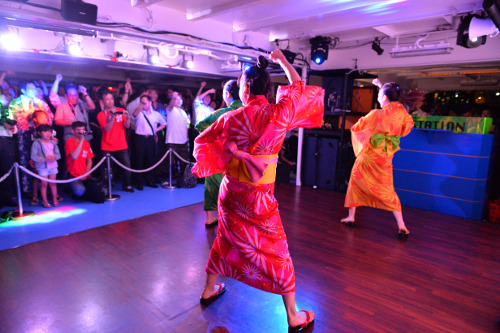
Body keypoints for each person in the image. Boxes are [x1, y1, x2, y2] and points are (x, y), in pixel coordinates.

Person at [192, 49, 324, 331]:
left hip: (230, 194)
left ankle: (207, 290)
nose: (239, 88)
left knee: (225, 239)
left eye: (240, 83)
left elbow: (204, 141)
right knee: (276, 250)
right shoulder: (280, 113)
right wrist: (283, 61)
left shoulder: (230, 118)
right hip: (259, 196)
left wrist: (225, 158)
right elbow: (298, 86)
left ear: (247, 87)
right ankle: (293, 316)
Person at [342, 80, 414, 238]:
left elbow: (358, 128)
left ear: (386, 98)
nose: (379, 99)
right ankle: (402, 225)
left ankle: (351, 216)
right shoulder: (401, 111)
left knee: (355, 182)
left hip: (369, 157)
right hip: (386, 158)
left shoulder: (376, 114)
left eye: (380, 96)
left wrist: (369, 134)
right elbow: (408, 125)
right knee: (388, 191)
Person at [194, 79, 243, 227]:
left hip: (221, 157)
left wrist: (217, 139)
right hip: (244, 158)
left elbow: (200, 126)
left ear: (227, 94)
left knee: (212, 183)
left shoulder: (220, 113)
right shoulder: (248, 111)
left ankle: (211, 217)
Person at [97, 89, 134, 192]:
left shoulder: (121, 110)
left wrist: (128, 118)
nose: (110, 101)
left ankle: (127, 185)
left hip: (122, 144)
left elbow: (127, 126)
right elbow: (107, 128)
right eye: (107, 99)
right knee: (108, 169)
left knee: (127, 166)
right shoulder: (101, 114)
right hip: (107, 145)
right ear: (103, 101)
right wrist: (113, 117)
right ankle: (108, 186)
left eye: (111, 99)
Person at [132, 95, 166, 190]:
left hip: (150, 138)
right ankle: (138, 182)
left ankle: (150, 180)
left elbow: (164, 123)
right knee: (139, 160)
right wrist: (141, 106)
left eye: (144, 102)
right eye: (141, 102)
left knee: (151, 160)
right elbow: (134, 114)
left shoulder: (156, 114)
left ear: (150, 102)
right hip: (139, 138)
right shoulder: (139, 112)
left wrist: (156, 130)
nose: (143, 104)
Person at [64, 121, 104, 203]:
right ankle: (70, 187)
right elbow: (74, 156)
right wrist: (81, 141)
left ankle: (86, 193)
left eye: (83, 130)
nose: (81, 132)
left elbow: (90, 161)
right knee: (79, 191)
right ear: (73, 131)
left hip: (85, 174)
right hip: (73, 174)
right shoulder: (69, 141)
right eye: (78, 130)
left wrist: (86, 174)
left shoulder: (87, 144)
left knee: (104, 191)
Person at [161, 92, 190, 187]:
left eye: (180, 99)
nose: (178, 100)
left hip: (183, 141)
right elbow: (171, 104)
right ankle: (165, 179)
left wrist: (186, 138)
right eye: (176, 99)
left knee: (184, 163)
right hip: (172, 140)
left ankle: (183, 180)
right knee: (168, 162)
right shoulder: (170, 109)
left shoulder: (184, 112)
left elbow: (186, 126)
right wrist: (174, 96)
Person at [30, 124, 61, 208]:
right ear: (39, 133)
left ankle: (55, 199)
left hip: (53, 165)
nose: (48, 133)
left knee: (53, 183)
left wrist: (54, 157)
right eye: (45, 131)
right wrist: (44, 159)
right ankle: (45, 201)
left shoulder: (53, 142)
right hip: (42, 167)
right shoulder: (36, 143)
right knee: (44, 184)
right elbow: (33, 156)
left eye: (50, 131)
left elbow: (58, 155)